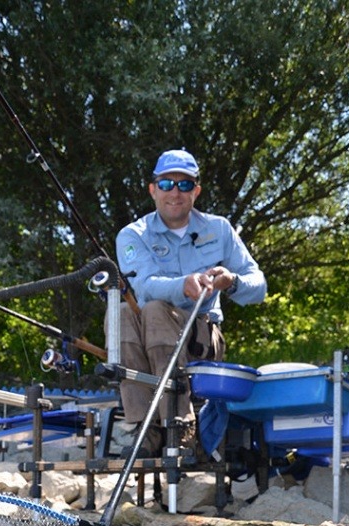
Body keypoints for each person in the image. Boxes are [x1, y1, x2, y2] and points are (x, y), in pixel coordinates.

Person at [114, 148, 267, 455]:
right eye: (167, 184)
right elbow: (144, 285)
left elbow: (259, 286)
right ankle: (144, 428)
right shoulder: (132, 234)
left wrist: (231, 281)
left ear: (195, 191)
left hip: (202, 337)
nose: (175, 192)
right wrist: (184, 286)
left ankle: (180, 425)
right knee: (120, 313)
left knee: (156, 310)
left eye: (184, 185)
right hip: (149, 334)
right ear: (153, 189)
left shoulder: (220, 228)